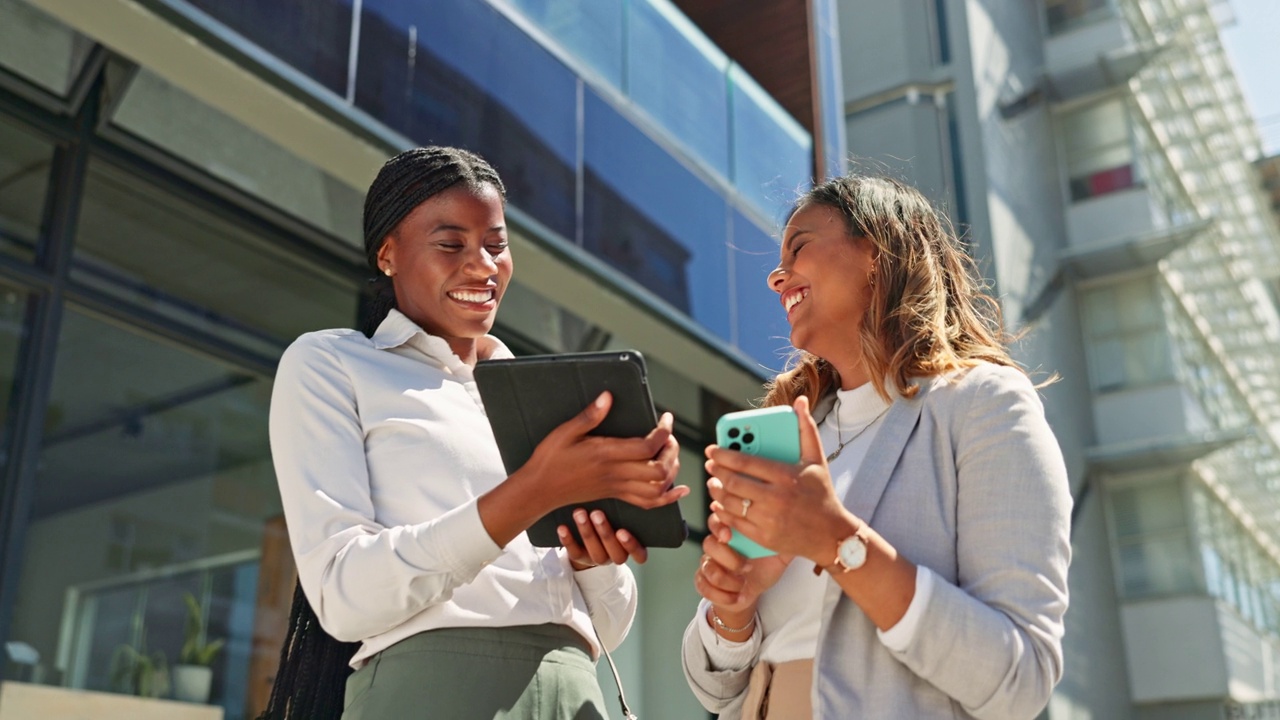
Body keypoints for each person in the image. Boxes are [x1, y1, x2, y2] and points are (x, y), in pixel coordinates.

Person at [263, 146, 687, 719]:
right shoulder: (331, 364)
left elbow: (607, 629)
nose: (484, 266)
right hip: (432, 694)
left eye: (496, 244)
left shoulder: (539, 399)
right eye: (451, 244)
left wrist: (593, 557)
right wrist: (533, 492)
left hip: (576, 691)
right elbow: (342, 595)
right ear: (388, 254)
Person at [682, 174, 1072, 719]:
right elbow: (716, 690)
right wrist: (734, 608)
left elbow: (1021, 680)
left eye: (799, 247)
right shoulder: (792, 433)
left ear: (878, 251)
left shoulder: (983, 403)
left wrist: (838, 542)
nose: (777, 278)